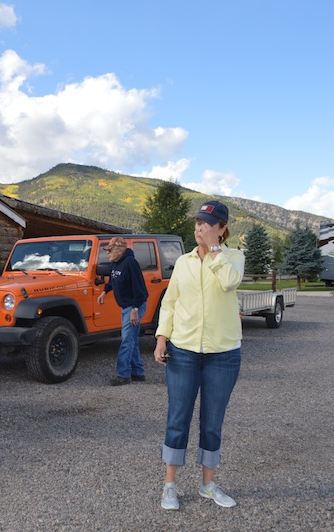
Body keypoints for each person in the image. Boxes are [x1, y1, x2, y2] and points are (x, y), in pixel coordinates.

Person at [153, 200, 245, 511]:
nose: (199, 228)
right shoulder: (184, 262)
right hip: (183, 351)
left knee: (212, 422)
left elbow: (229, 282)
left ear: (221, 228)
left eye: (206, 223)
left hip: (223, 354)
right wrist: (162, 338)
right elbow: (171, 303)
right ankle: (169, 486)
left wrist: (215, 252)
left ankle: (208, 485)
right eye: (197, 223)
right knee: (177, 418)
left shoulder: (234, 258)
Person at [97, 236, 149, 386]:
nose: (108, 253)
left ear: (119, 250)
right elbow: (112, 280)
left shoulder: (130, 263)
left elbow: (139, 288)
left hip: (134, 306)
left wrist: (135, 309)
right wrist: (104, 292)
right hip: (127, 307)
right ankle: (138, 373)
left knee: (126, 340)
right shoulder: (115, 263)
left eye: (110, 250)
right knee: (131, 339)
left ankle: (124, 374)